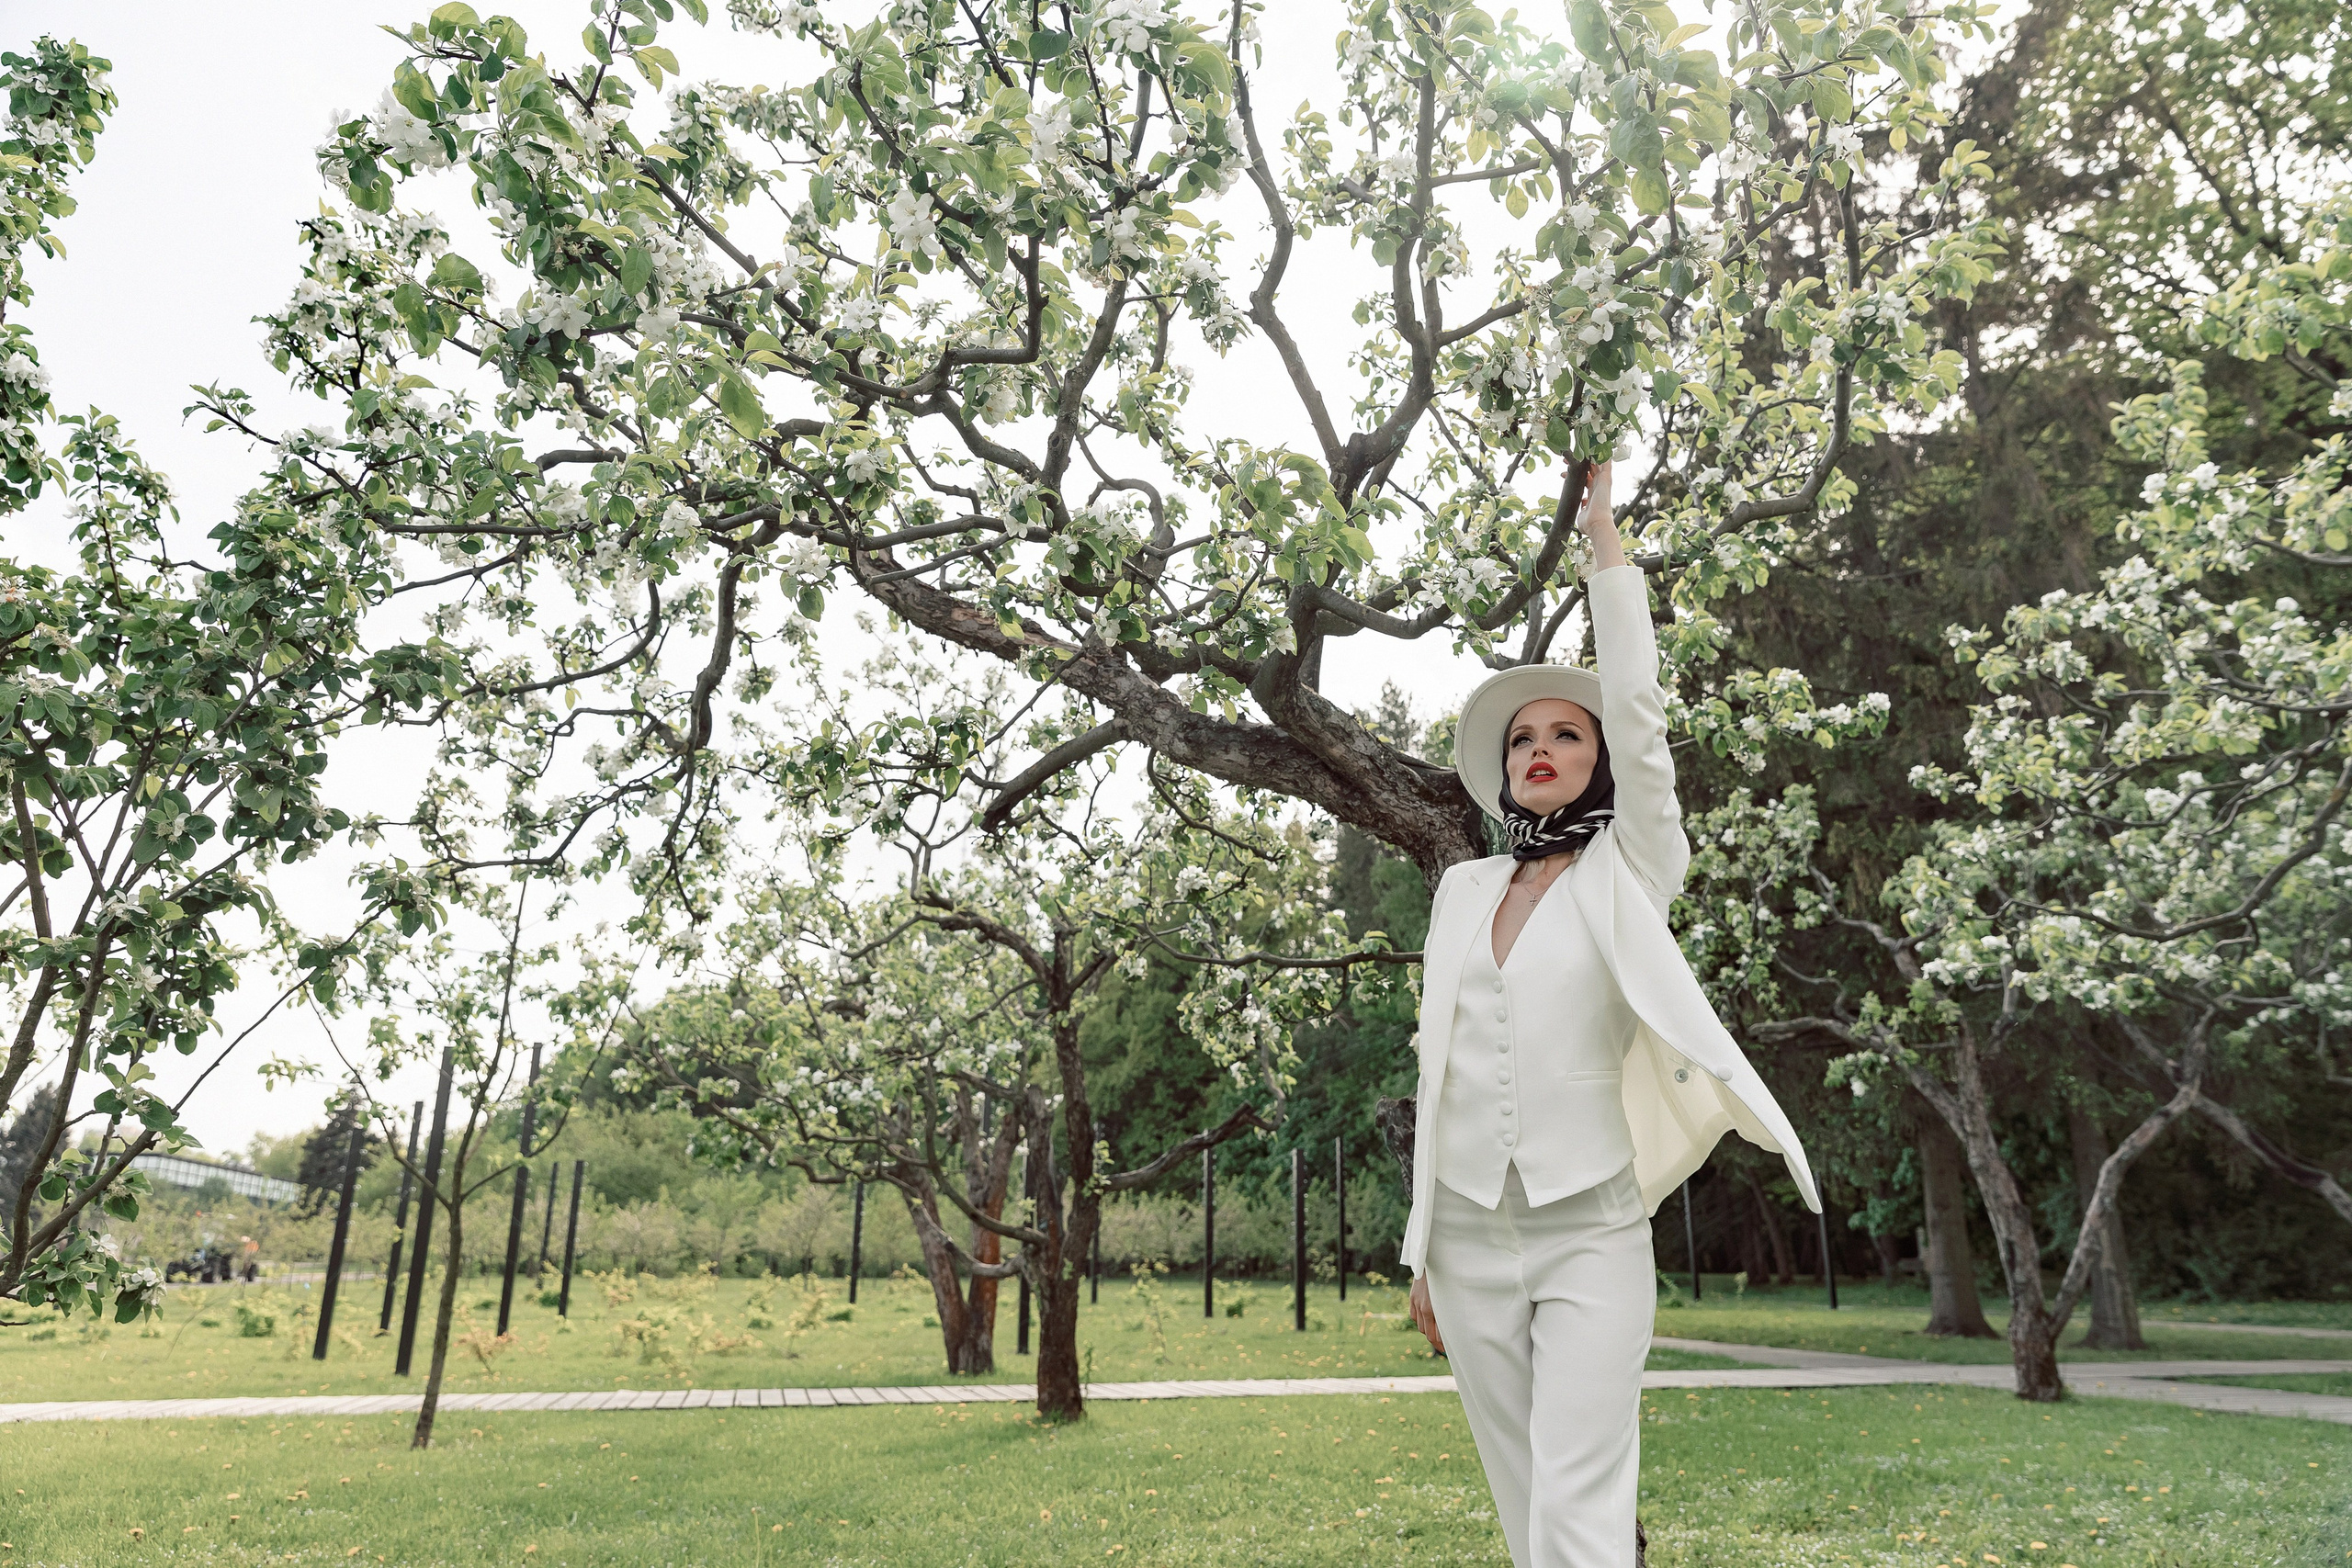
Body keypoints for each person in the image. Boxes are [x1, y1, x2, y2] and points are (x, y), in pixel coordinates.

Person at [1399, 460, 1820, 1568]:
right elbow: (1436, 1070)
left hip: (1587, 1224)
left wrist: (1605, 551)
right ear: (1504, 772)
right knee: (1522, 1495)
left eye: (1565, 737)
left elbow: (1639, 719)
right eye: (1524, 739)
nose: (1542, 748)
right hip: (1466, 1233)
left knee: (1582, 1495)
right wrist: (1420, 1255)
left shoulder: (1631, 870)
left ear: (1595, 770)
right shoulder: (1460, 892)